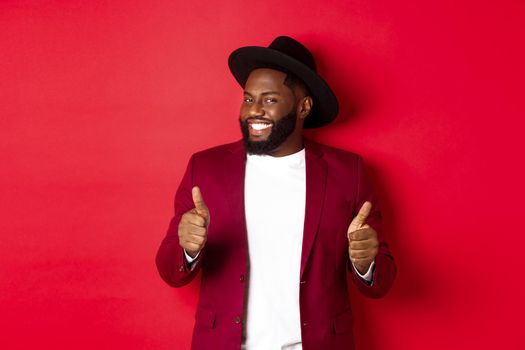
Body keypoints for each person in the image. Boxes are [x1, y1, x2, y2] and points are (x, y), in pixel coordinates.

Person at [156, 36, 396, 350]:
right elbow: (170, 271)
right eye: (248, 98)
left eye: (269, 100)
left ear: (303, 107)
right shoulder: (206, 168)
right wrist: (187, 249)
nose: (253, 110)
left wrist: (366, 264)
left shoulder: (347, 173)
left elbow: (383, 281)